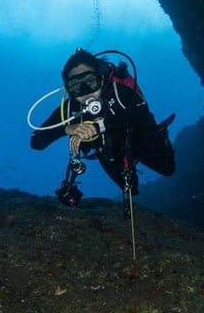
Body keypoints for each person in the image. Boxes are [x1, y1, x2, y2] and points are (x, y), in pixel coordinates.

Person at [30, 48, 175, 207]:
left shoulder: (120, 93)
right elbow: (36, 141)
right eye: (76, 85)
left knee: (168, 170)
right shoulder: (69, 110)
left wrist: (99, 126)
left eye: (90, 81)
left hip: (140, 140)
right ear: (69, 89)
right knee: (130, 190)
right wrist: (66, 129)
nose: (85, 91)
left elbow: (142, 114)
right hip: (109, 152)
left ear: (101, 78)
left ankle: (162, 134)